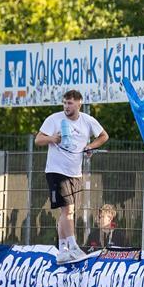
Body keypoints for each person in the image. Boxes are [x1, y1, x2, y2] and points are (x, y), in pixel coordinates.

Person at [35, 89, 109, 263]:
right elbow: (38, 140)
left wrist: (89, 147)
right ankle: (74, 247)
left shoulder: (87, 120)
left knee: (67, 212)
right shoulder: (54, 119)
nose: (66, 106)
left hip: (75, 172)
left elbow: (104, 136)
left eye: (70, 103)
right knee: (67, 210)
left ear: (79, 103)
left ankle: (62, 251)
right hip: (56, 171)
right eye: (64, 103)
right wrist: (52, 138)